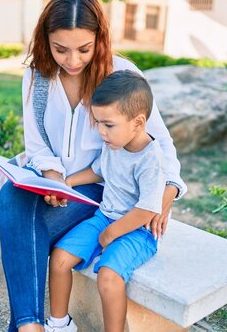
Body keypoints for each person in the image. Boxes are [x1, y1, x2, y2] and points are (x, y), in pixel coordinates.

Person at [0, 0, 187, 332]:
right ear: (46, 40)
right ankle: (33, 326)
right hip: (57, 186)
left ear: (99, 39)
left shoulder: (122, 76)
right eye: (60, 49)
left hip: (101, 194)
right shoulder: (36, 77)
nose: (72, 60)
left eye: (83, 49)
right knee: (12, 198)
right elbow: (37, 145)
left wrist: (167, 192)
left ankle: (26, 327)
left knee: (26, 234)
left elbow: (160, 143)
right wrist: (54, 176)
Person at [46, 70, 165, 332]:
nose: (101, 131)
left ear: (138, 122)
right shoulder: (112, 144)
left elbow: (148, 209)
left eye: (108, 124)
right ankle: (59, 324)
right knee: (59, 259)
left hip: (137, 232)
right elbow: (98, 170)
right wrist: (68, 182)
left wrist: (112, 233)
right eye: (98, 122)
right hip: (104, 217)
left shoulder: (150, 159)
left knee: (109, 278)